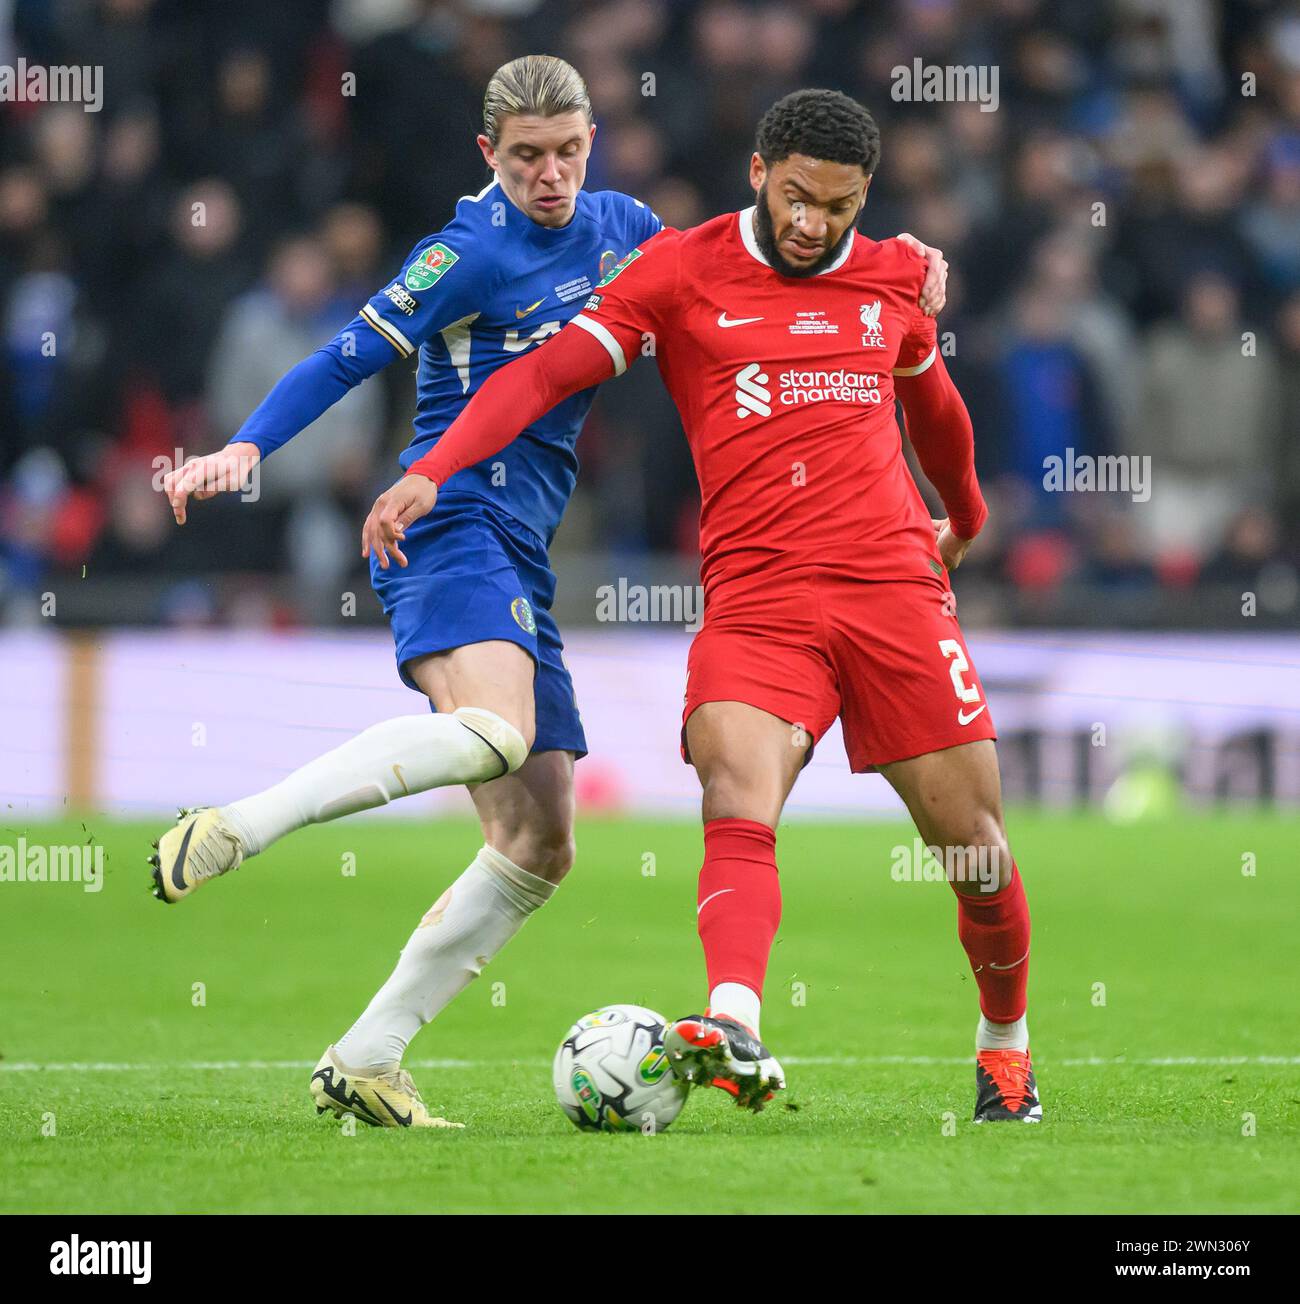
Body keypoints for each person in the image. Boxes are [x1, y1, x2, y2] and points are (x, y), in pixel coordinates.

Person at [152, 64, 952, 1128]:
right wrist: (241, 449)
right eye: (527, 154)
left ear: (592, 140)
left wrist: (900, 261)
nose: (551, 173)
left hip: (520, 544)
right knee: (491, 734)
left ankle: (368, 1054)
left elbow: (753, 259)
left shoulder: (625, 228)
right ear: (490, 154)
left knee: (539, 839)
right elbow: (342, 357)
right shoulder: (463, 251)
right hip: (441, 514)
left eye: (569, 148)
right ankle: (238, 824)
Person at [365, 89, 1039, 1125]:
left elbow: (931, 401)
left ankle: (1004, 1045)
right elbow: (542, 375)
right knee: (734, 792)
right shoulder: (678, 273)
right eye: (799, 197)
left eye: (841, 207)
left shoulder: (897, 273)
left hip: (892, 589)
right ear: (760, 170)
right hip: (757, 595)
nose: (815, 224)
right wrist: (435, 468)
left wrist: (967, 514)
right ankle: (732, 1019)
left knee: (975, 851)